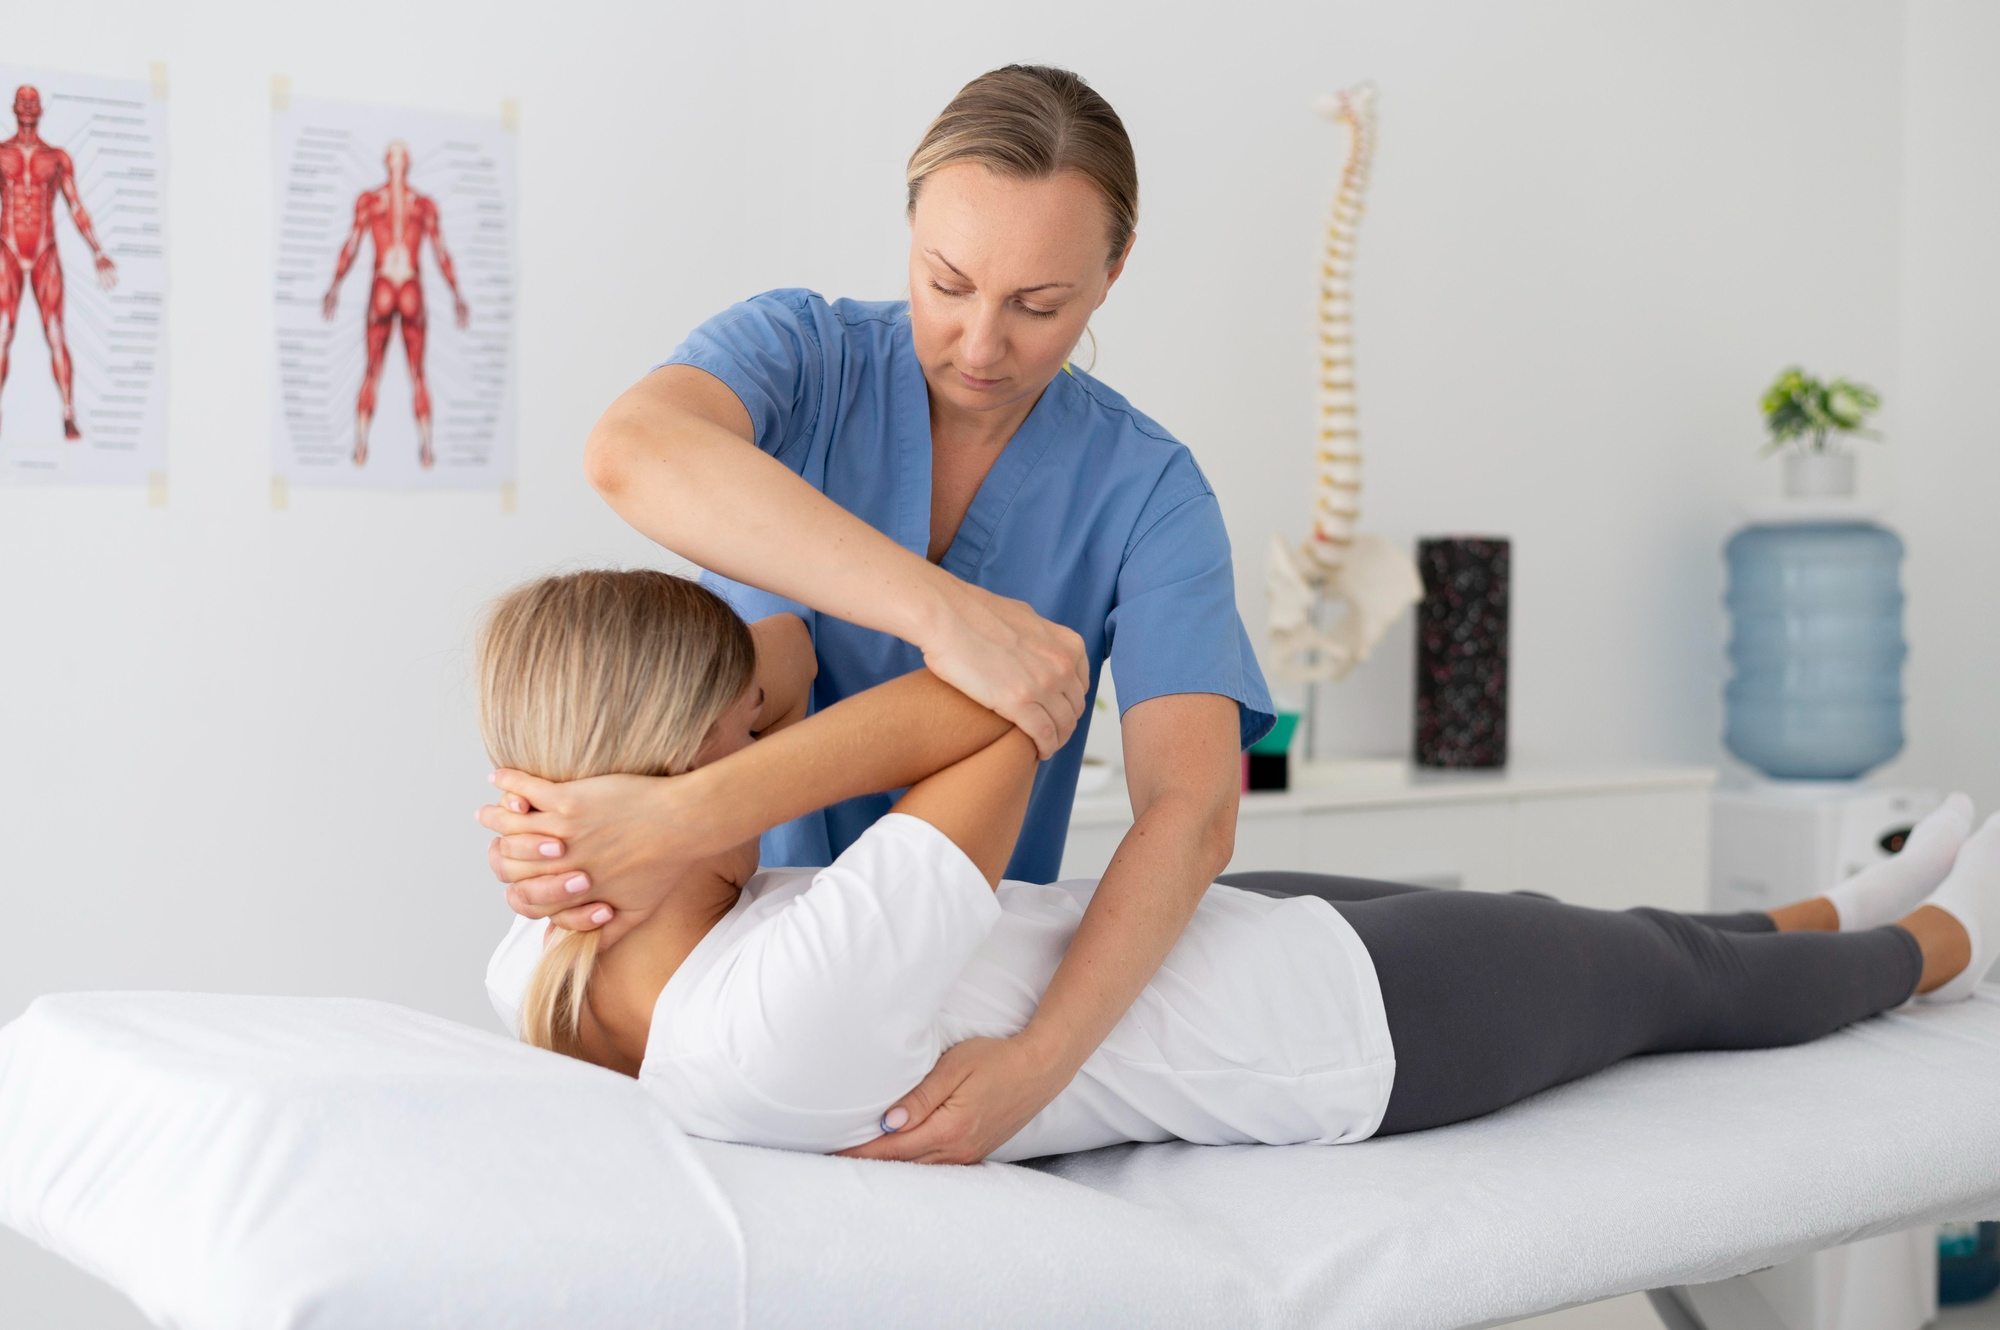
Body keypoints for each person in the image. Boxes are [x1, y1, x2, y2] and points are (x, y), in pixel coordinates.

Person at [481, 570, 1994, 1163]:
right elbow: (1021, 690)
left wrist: (669, 799)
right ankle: (1947, 935)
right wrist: (689, 807)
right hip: (1332, 1032)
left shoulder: (545, 963)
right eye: (759, 729)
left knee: (1620, 932)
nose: (790, 726)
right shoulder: (778, 1008)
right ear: (685, 777)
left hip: (1179, 936)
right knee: (1671, 978)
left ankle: (1835, 901)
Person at [481, 66, 1275, 1163]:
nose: (979, 344)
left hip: (951, 975)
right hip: (730, 968)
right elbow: (630, 451)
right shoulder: (801, 367)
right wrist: (948, 617)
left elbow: (1191, 813)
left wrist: (1037, 1066)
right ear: (908, 228)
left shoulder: (1146, 493)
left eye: (1038, 306)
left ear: (1110, 274)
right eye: (945, 282)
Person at [322, 140, 469, 469]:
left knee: (373, 370)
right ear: (408, 163)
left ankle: (361, 447)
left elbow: (352, 245)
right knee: (417, 374)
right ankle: (427, 449)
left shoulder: (372, 201)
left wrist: (335, 286)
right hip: (409, 286)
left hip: (385, 286)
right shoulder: (422, 206)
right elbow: (441, 253)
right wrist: (457, 294)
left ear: (388, 163)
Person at [0, 85, 117, 441]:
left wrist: (97, 250)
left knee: (54, 333)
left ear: (40, 110)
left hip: (45, 251)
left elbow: (76, 206)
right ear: (14, 107)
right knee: (3, 332)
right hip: (7, 248)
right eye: (23, 102)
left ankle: (68, 413)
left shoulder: (58, 158)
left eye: (33, 103)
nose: (28, 108)